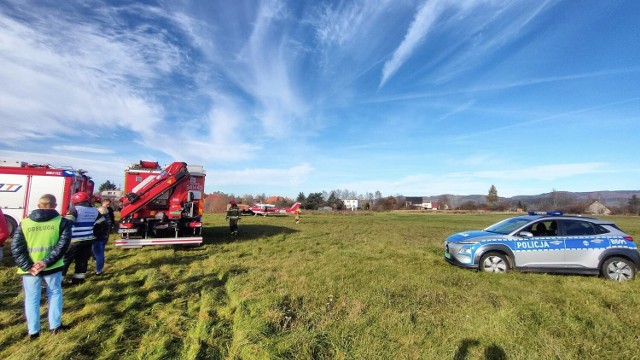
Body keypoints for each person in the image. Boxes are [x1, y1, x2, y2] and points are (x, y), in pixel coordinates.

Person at [11, 194, 72, 339]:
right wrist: (46, 262)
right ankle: (55, 326)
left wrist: (28, 266)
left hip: (30, 270)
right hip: (53, 267)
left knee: (32, 298)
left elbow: (16, 247)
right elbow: (63, 246)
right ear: (55, 206)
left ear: (39, 206)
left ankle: (33, 331)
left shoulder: (25, 223)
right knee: (55, 293)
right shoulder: (61, 222)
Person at [62, 192, 106, 285]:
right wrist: (95, 233)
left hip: (74, 240)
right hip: (88, 240)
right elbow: (103, 223)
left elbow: (67, 223)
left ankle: (59, 280)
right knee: (82, 261)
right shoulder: (94, 210)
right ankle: (78, 281)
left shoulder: (75, 209)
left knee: (65, 260)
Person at [92, 206, 111, 275]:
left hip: (98, 238)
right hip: (105, 237)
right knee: (100, 253)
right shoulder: (108, 218)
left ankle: (98, 269)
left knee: (98, 254)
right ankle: (99, 268)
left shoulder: (100, 220)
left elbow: (97, 229)